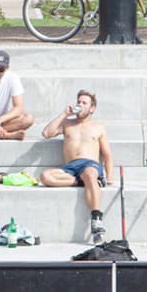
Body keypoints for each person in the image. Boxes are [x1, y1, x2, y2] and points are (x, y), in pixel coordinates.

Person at [41, 90, 115, 243]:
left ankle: (96, 220)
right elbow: (46, 133)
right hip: (70, 168)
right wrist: (64, 114)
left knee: (89, 175)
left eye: (84, 103)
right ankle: (79, 182)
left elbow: (107, 155)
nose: (80, 105)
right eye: (78, 102)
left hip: (90, 164)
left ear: (92, 108)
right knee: (45, 177)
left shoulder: (98, 127)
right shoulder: (67, 124)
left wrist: (110, 177)